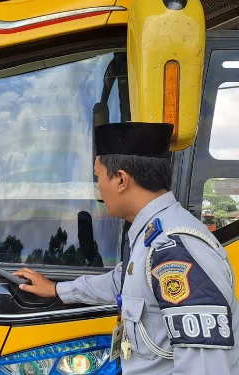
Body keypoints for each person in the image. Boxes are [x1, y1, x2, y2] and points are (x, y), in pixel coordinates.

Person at [14, 122, 239, 374]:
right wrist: (56, 289)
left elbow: (206, 369)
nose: (98, 187)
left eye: (98, 177)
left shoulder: (174, 248)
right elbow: (121, 282)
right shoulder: (151, 235)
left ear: (121, 179)